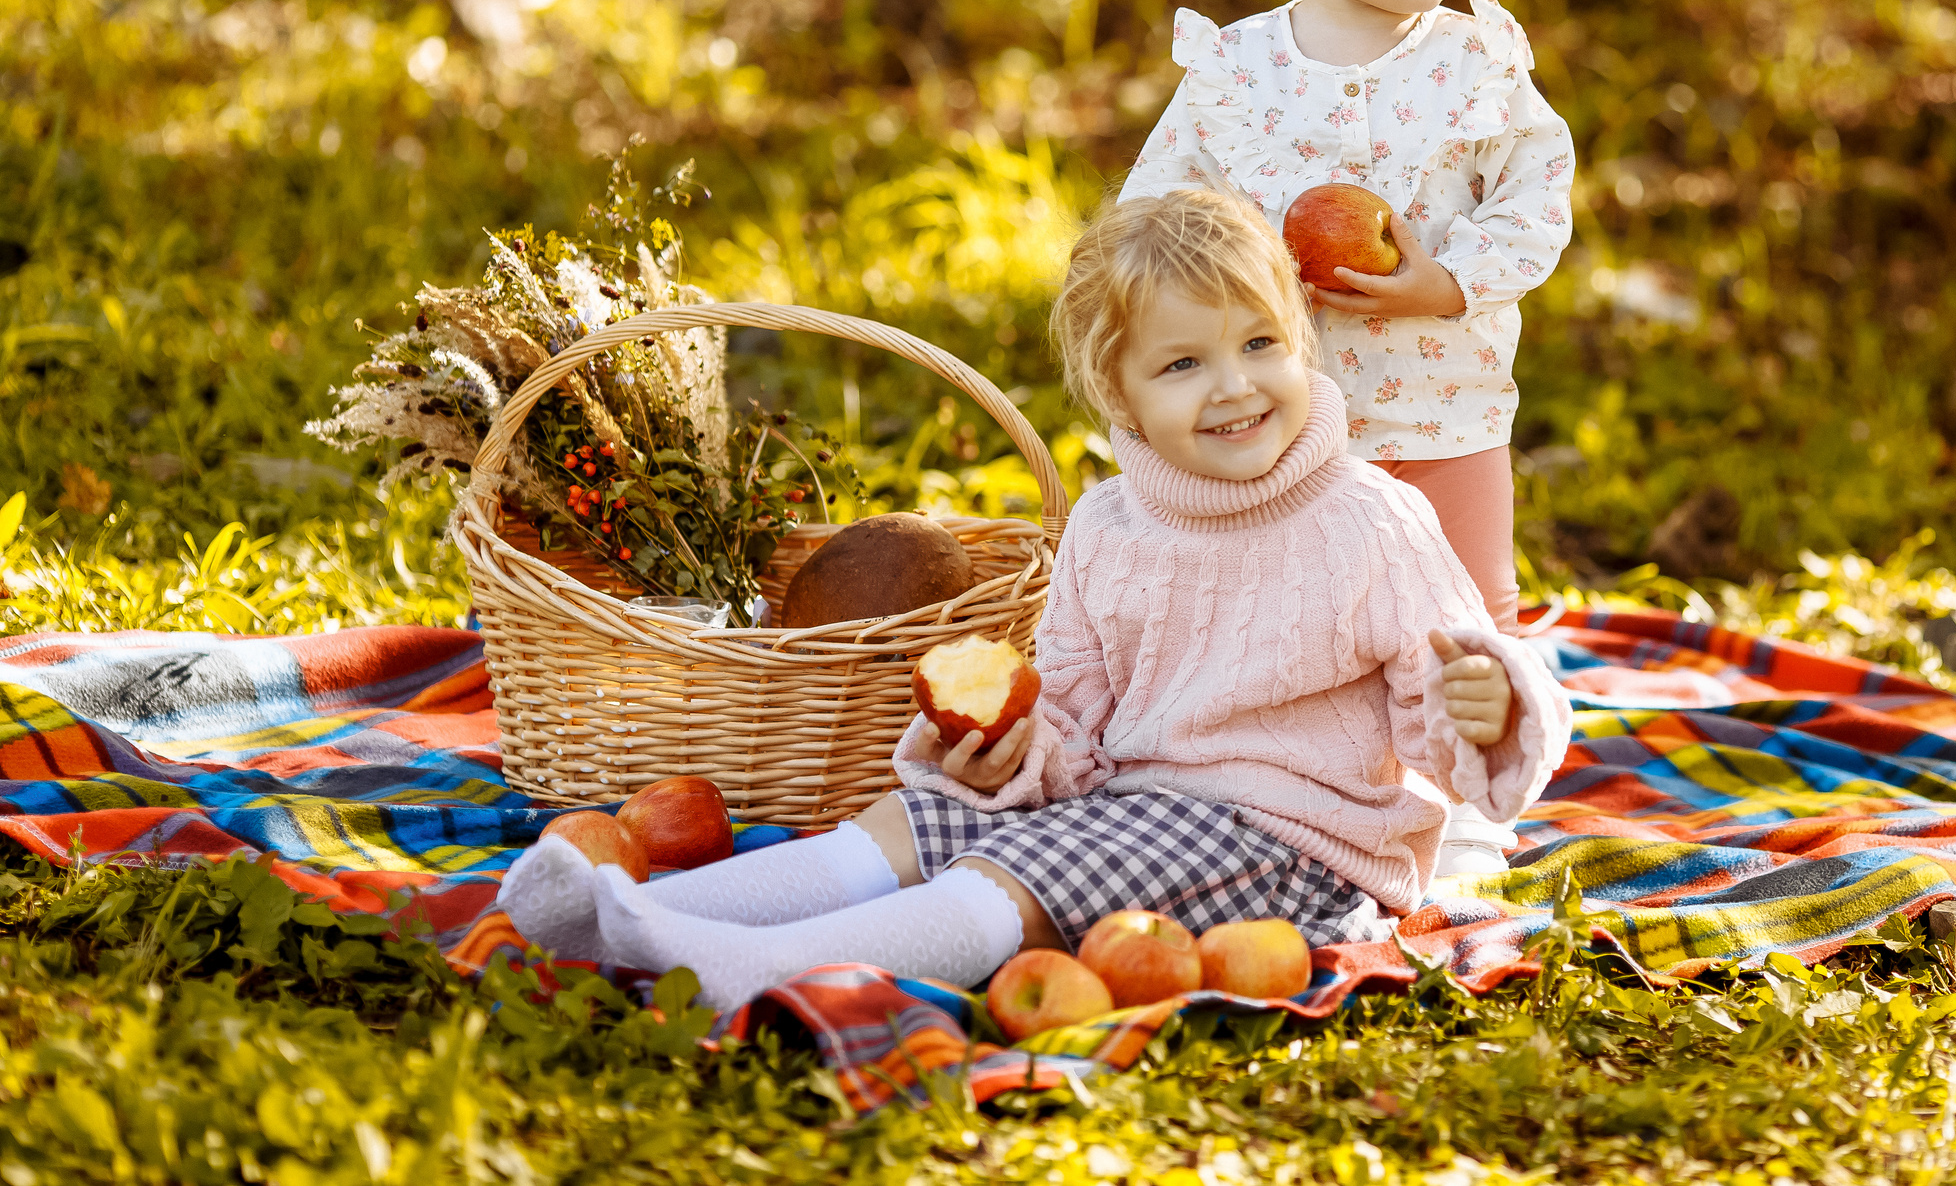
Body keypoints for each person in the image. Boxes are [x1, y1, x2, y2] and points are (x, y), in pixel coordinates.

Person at [493, 191, 1570, 1011]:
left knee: (1038, 869)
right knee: (929, 812)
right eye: (1185, 363)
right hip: (1129, 800)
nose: (1236, 386)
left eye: (1260, 347)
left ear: (1302, 343)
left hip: (1299, 845)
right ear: (1122, 396)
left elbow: (1458, 696)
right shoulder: (1108, 527)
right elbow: (1077, 712)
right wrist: (1015, 754)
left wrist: (1495, 702)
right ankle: (651, 911)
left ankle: (755, 966)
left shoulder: (1366, 521)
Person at [1119, 0, 1576, 872]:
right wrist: (1222, 292)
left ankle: (1466, 805)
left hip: (1446, 404)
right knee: (1306, 602)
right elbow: (1157, 219)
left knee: (1467, 601)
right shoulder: (1237, 74)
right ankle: (1318, 784)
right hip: (1284, 414)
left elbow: (1537, 195)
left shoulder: (1478, 66)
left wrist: (1448, 279)